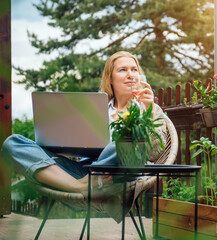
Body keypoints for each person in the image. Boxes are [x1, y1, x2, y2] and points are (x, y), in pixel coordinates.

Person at [1, 51, 167, 200]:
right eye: (123, 70)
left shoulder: (150, 109)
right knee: (12, 143)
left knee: (121, 144)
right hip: (85, 172)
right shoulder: (94, 109)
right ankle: (78, 186)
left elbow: (154, 153)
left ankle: (82, 182)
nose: (130, 75)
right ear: (110, 78)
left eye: (134, 69)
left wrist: (149, 110)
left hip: (117, 174)